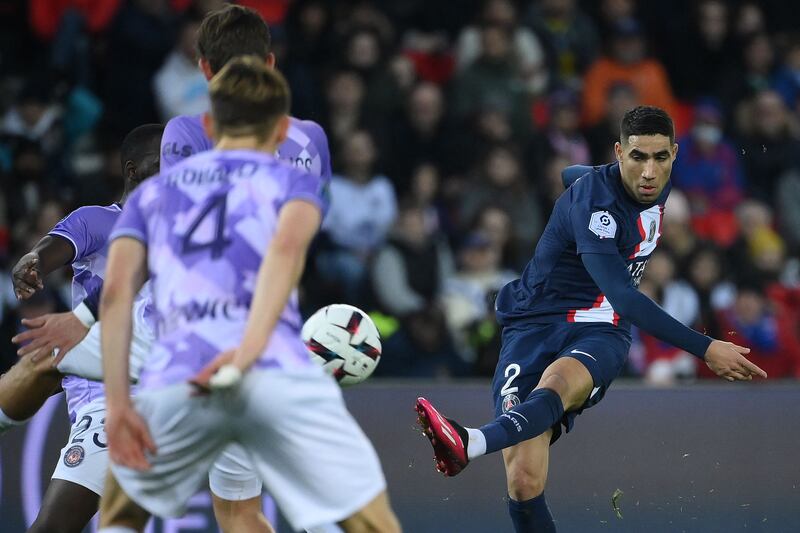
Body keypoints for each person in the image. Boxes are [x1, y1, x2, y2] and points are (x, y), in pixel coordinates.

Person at [414, 106, 767, 532]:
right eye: (638, 157)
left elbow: (613, 297)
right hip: (534, 323)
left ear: (675, 154)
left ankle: (469, 441)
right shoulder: (596, 207)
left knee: (559, 384)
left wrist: (578, 175)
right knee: (523, 479)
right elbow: (624, 292)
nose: (650, 172)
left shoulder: (655, 183)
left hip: (602, 327)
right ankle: (473, 444)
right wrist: (706, 347)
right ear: (620, 153)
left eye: (661, 157)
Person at [97, 56, 401, 533]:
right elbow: (283, 255)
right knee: (373, 522)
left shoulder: (153, 194)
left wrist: (118, 405)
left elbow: (115, 294)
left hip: (181, 375)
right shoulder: (293, 184)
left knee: (119, 516)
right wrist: (245, 356)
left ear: (208, 123)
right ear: (281, 130)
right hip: (270, 369)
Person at [157, 6, 334, 531]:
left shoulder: (185, 133)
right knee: (246, 503)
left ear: (204, 68)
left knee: (236, 510)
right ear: (271, 63)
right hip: (283, 327)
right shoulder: (310, 139)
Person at [2, 124, 163, 533]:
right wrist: (33, 261)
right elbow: (51, 249)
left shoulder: (185, 238)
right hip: (107, 398)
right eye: (162, 166)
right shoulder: (99, 220)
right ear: (132, 170)